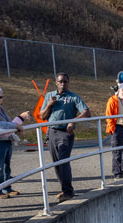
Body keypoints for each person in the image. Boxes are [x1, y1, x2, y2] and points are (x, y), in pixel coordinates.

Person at [40, 73, 90, 202]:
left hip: (65, 133)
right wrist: (50, 104)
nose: (63, 83)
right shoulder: (49, 96)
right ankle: (64, 189)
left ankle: (69, 191)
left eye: (65, 81)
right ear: (56, 82)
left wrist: (73, 121)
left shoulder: (73, 97)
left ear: (68, 83)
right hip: (52, 132)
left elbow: (87, 112)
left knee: (63, 161)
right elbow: (42, 116)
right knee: (56, 163)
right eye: (60, 81)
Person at [0, 86, 32, 198]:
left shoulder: (0, 108)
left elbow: (7, 123)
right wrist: (18, 121)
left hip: (7, 140)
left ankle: (7, 187)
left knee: (7, 166)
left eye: (0, 96)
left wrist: (15, 128)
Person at [105, 82, 123, 179]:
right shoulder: (112, 100)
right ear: (119, 90)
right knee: (117, 153)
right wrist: (113, 128)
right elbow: (108, 116)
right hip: (118, 128)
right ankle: (117, 174)